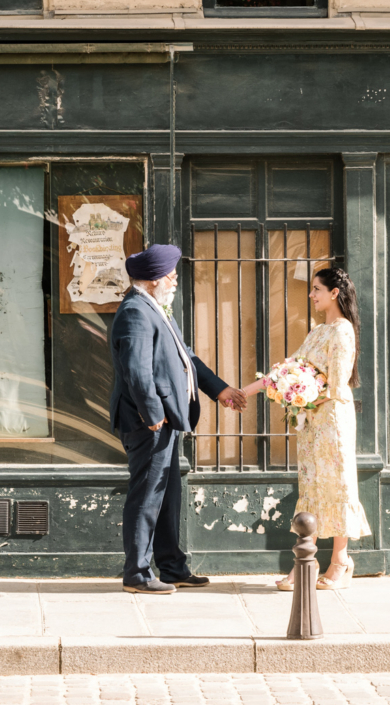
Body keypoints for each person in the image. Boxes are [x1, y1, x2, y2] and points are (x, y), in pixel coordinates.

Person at [109, 242, 247, 594]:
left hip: (167, 419)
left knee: (167, 495)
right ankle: (137, 574)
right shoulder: (135, 312)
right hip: (149, 422)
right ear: (154, 279)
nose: (174, 280)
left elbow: (187, 359)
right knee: (146, 496)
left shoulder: (157, 309)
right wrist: (153, 414)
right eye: (170, 274)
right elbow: (136, 371)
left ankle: (171, 567)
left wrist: (219, 389)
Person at [240, 265, 370, 590]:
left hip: (333, 421)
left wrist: (303, 396)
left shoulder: (342, 331)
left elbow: (338, 387)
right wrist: (245, 391)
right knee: (312, 488)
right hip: (311, 421)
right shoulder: (317, 331)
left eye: (316, 289)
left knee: (337, 486)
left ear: (334, 293)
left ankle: (340, 561)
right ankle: (305, 564)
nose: (311, 295)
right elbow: (288, 368)